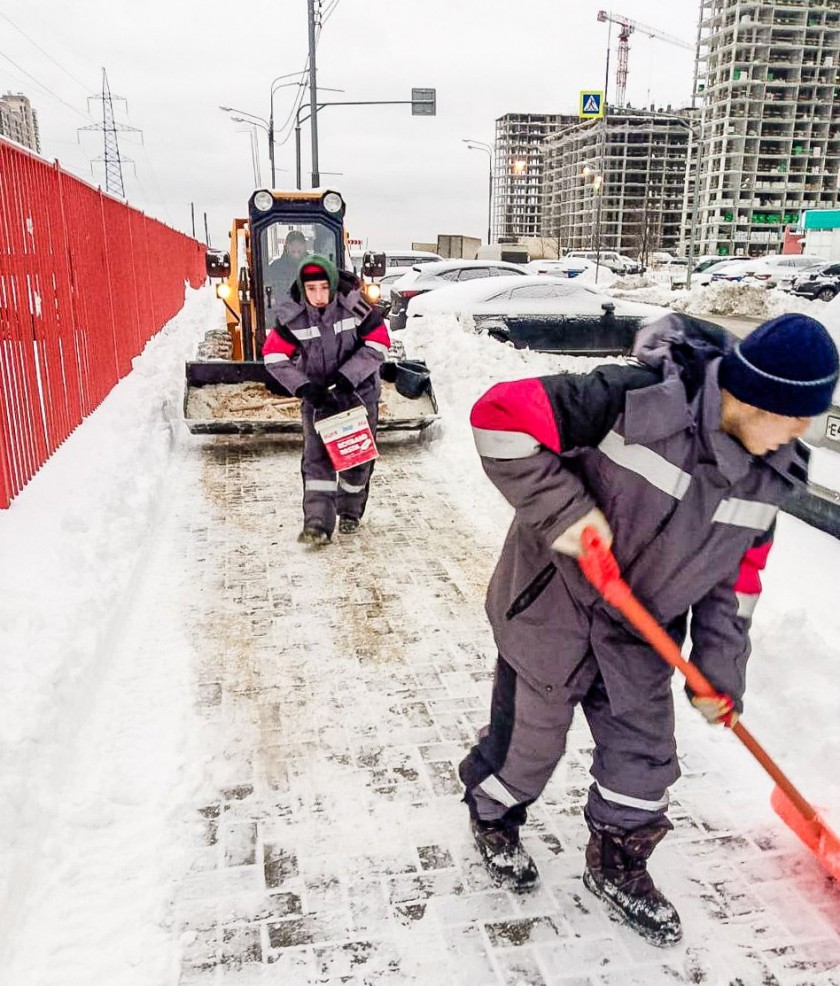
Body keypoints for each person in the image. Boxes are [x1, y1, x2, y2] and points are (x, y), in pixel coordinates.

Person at [458, 312, 839, 947]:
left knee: (645, 763)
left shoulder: (770, 476)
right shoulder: (633, 400)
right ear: (752, 396)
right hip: (553, 608)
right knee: (526, 752)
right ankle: (492, 813)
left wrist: (720, 676)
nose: (801, 435)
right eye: (795, 417)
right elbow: (499, 417)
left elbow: (734, 587)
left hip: (639, 636)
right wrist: (570, 516)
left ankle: (617, 863)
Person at [262, 254, 391, 545]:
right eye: (311, 289)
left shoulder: (356, 306)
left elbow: (378, 343)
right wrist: (304, 387)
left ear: (332, 285)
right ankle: (317, 524)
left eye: (323, 288)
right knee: (317, 461)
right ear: (302, 288)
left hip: (357, 395)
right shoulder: (292, 317)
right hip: (318, 400)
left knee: (355, 461)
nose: (318, 296)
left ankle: (350, 512)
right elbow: (274, 356)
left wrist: (348, 377)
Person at [265, 230, 309, 306]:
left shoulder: (314, 265)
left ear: (305, 246)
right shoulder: (275, 268)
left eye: (299, 244)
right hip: (282, 312)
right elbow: (267, 292)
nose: (296, 247)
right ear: (286, 247)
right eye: (292, 244)